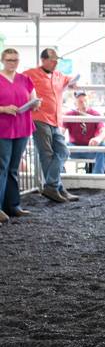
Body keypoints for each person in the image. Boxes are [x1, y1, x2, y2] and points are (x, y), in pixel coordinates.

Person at [24, 48, 79, 203]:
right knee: (46, 154)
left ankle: (52, 187)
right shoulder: (30, 74)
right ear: (43, 60)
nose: (55, 63)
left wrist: (74, 82)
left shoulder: (59, 75)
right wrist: (28, 97)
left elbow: (71, 80)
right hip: (39, 118)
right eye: (52, 60)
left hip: (55, 120)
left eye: (57, 60)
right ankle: (57, 188)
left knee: (63, 151)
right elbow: (16, 83)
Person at [0, 48, 38, 223]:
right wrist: (4, 109)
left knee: (13, 168)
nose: (12, 63)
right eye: (9, 60)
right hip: (3, 128)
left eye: (15, 60)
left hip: (22, 127)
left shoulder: (25, 79)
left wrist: (35, 104)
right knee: (2, 168)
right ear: (2, 60)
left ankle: (13, 206)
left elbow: (33, 100)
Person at [63, 91, 105, 174]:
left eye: (85, 101)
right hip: (74, 149)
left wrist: (98, 138)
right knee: (59, 145)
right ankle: (60, 175)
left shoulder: (95, 114)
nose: (84, 104)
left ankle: (97, 178)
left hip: (90, 148)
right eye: (80, 102)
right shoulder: (69, 114)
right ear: (75, 103)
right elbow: (60, 131)